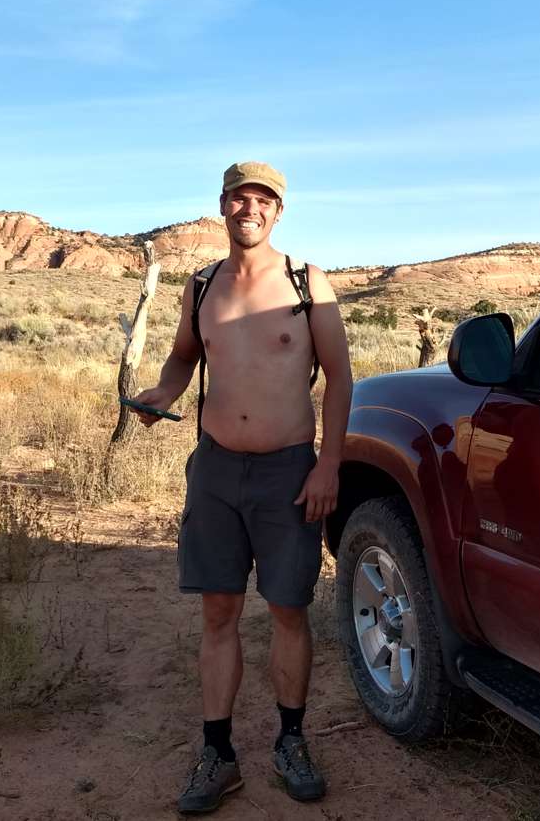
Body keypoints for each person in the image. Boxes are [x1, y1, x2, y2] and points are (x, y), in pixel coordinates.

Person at [129, 160, 352, 814]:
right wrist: (162, 392)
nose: (249, 208)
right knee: (218, 612)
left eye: (262, 200)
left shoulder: (307, 283)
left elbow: (340, 378)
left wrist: (328, 466)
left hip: (289, 473)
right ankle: (218, 754)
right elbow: (183, 357)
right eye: (238, 198)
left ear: (278, 212)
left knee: (287, 610)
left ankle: (291, 741)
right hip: (216, 471)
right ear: (222, 204)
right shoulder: (202, 286)